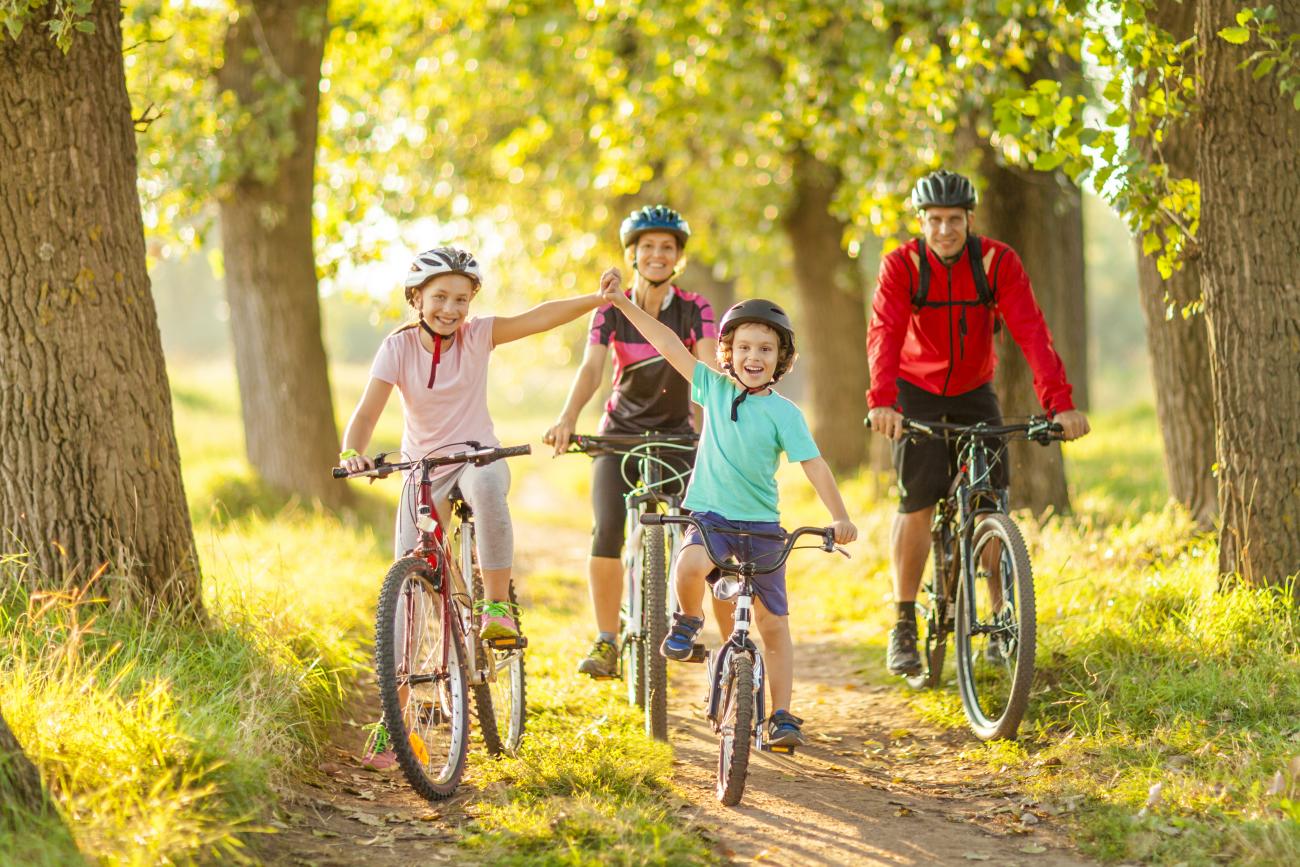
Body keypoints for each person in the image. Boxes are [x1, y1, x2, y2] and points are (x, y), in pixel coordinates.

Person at [598, 270, 857, 746]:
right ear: (728, 353)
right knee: (691, 561)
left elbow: (815, 465)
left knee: (773, 626)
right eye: (743, 347)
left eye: (765, 349)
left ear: (782, 359)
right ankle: (688, 621)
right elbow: (667, 341)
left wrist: (839, 516)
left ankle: (782, 716)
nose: (753, 357)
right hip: (711, 517)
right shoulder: (713, 389)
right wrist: (622, 304)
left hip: (761, 527)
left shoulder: (784, 413)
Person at [865, 169, 1090, 677]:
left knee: (990, 498)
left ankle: (999, 614)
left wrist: (1060, 404)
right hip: (914, 393)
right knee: (918, 500)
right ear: (922, 221)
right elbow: (884, 333)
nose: (945, 230)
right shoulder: (902, 266)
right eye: (936, 220)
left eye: (955, 220)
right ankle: (902, 622)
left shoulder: (996, 262)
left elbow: (1032, 332)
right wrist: (882, 401)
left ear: (970, 219)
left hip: (973, 390)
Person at [340, 246, 606, 645]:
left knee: (485, 486)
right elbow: (365, 415)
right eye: (440, 298)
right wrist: (352, 452)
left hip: (478, 456)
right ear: (417, 299)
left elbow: (539, 317)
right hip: (423, 468)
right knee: (405, 588)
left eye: (461, 299)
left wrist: (598, 299)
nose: (451, 309)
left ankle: (496, 607)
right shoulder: (398, 348)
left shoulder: (479, 334)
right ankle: (396, 700)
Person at [542, 205, 719, 678]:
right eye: (647, 248)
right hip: (618, 433)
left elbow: (707, 373)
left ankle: (688, 623)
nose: (657, 255)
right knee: (606, 529)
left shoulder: (695, 309)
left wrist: (714, 431)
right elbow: (591, 369)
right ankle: (606, 640)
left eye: (667, 247)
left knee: (697, 529)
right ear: (633, 255)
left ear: (678, 257)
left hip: (678, 434)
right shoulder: (610, 311)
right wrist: (567, 417)